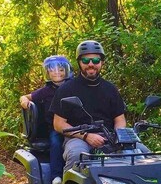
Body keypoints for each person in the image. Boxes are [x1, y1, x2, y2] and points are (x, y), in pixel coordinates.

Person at [50, 40, 127, 172]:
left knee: (139, 153)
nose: (91, 64)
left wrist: (118, 136)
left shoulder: (110, 89)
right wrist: (86, 136)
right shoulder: (66, 89)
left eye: (96, 60)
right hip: (77, 138)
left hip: (108, 137)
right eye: (86, 61)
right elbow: (58, 124)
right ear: (79, 63)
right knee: (77, 156)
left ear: (102, 62)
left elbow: (120, 119)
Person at [19, 55, 73, 184]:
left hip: (75, 126)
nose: (57, 73)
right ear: (47, 73)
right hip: (55, 128)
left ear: (67, 70)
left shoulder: (74, 86)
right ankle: (56, 177)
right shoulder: (46, 90)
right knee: (55, 142)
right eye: (53, 70)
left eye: (60, 69)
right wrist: (25, 102)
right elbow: (26, 96)